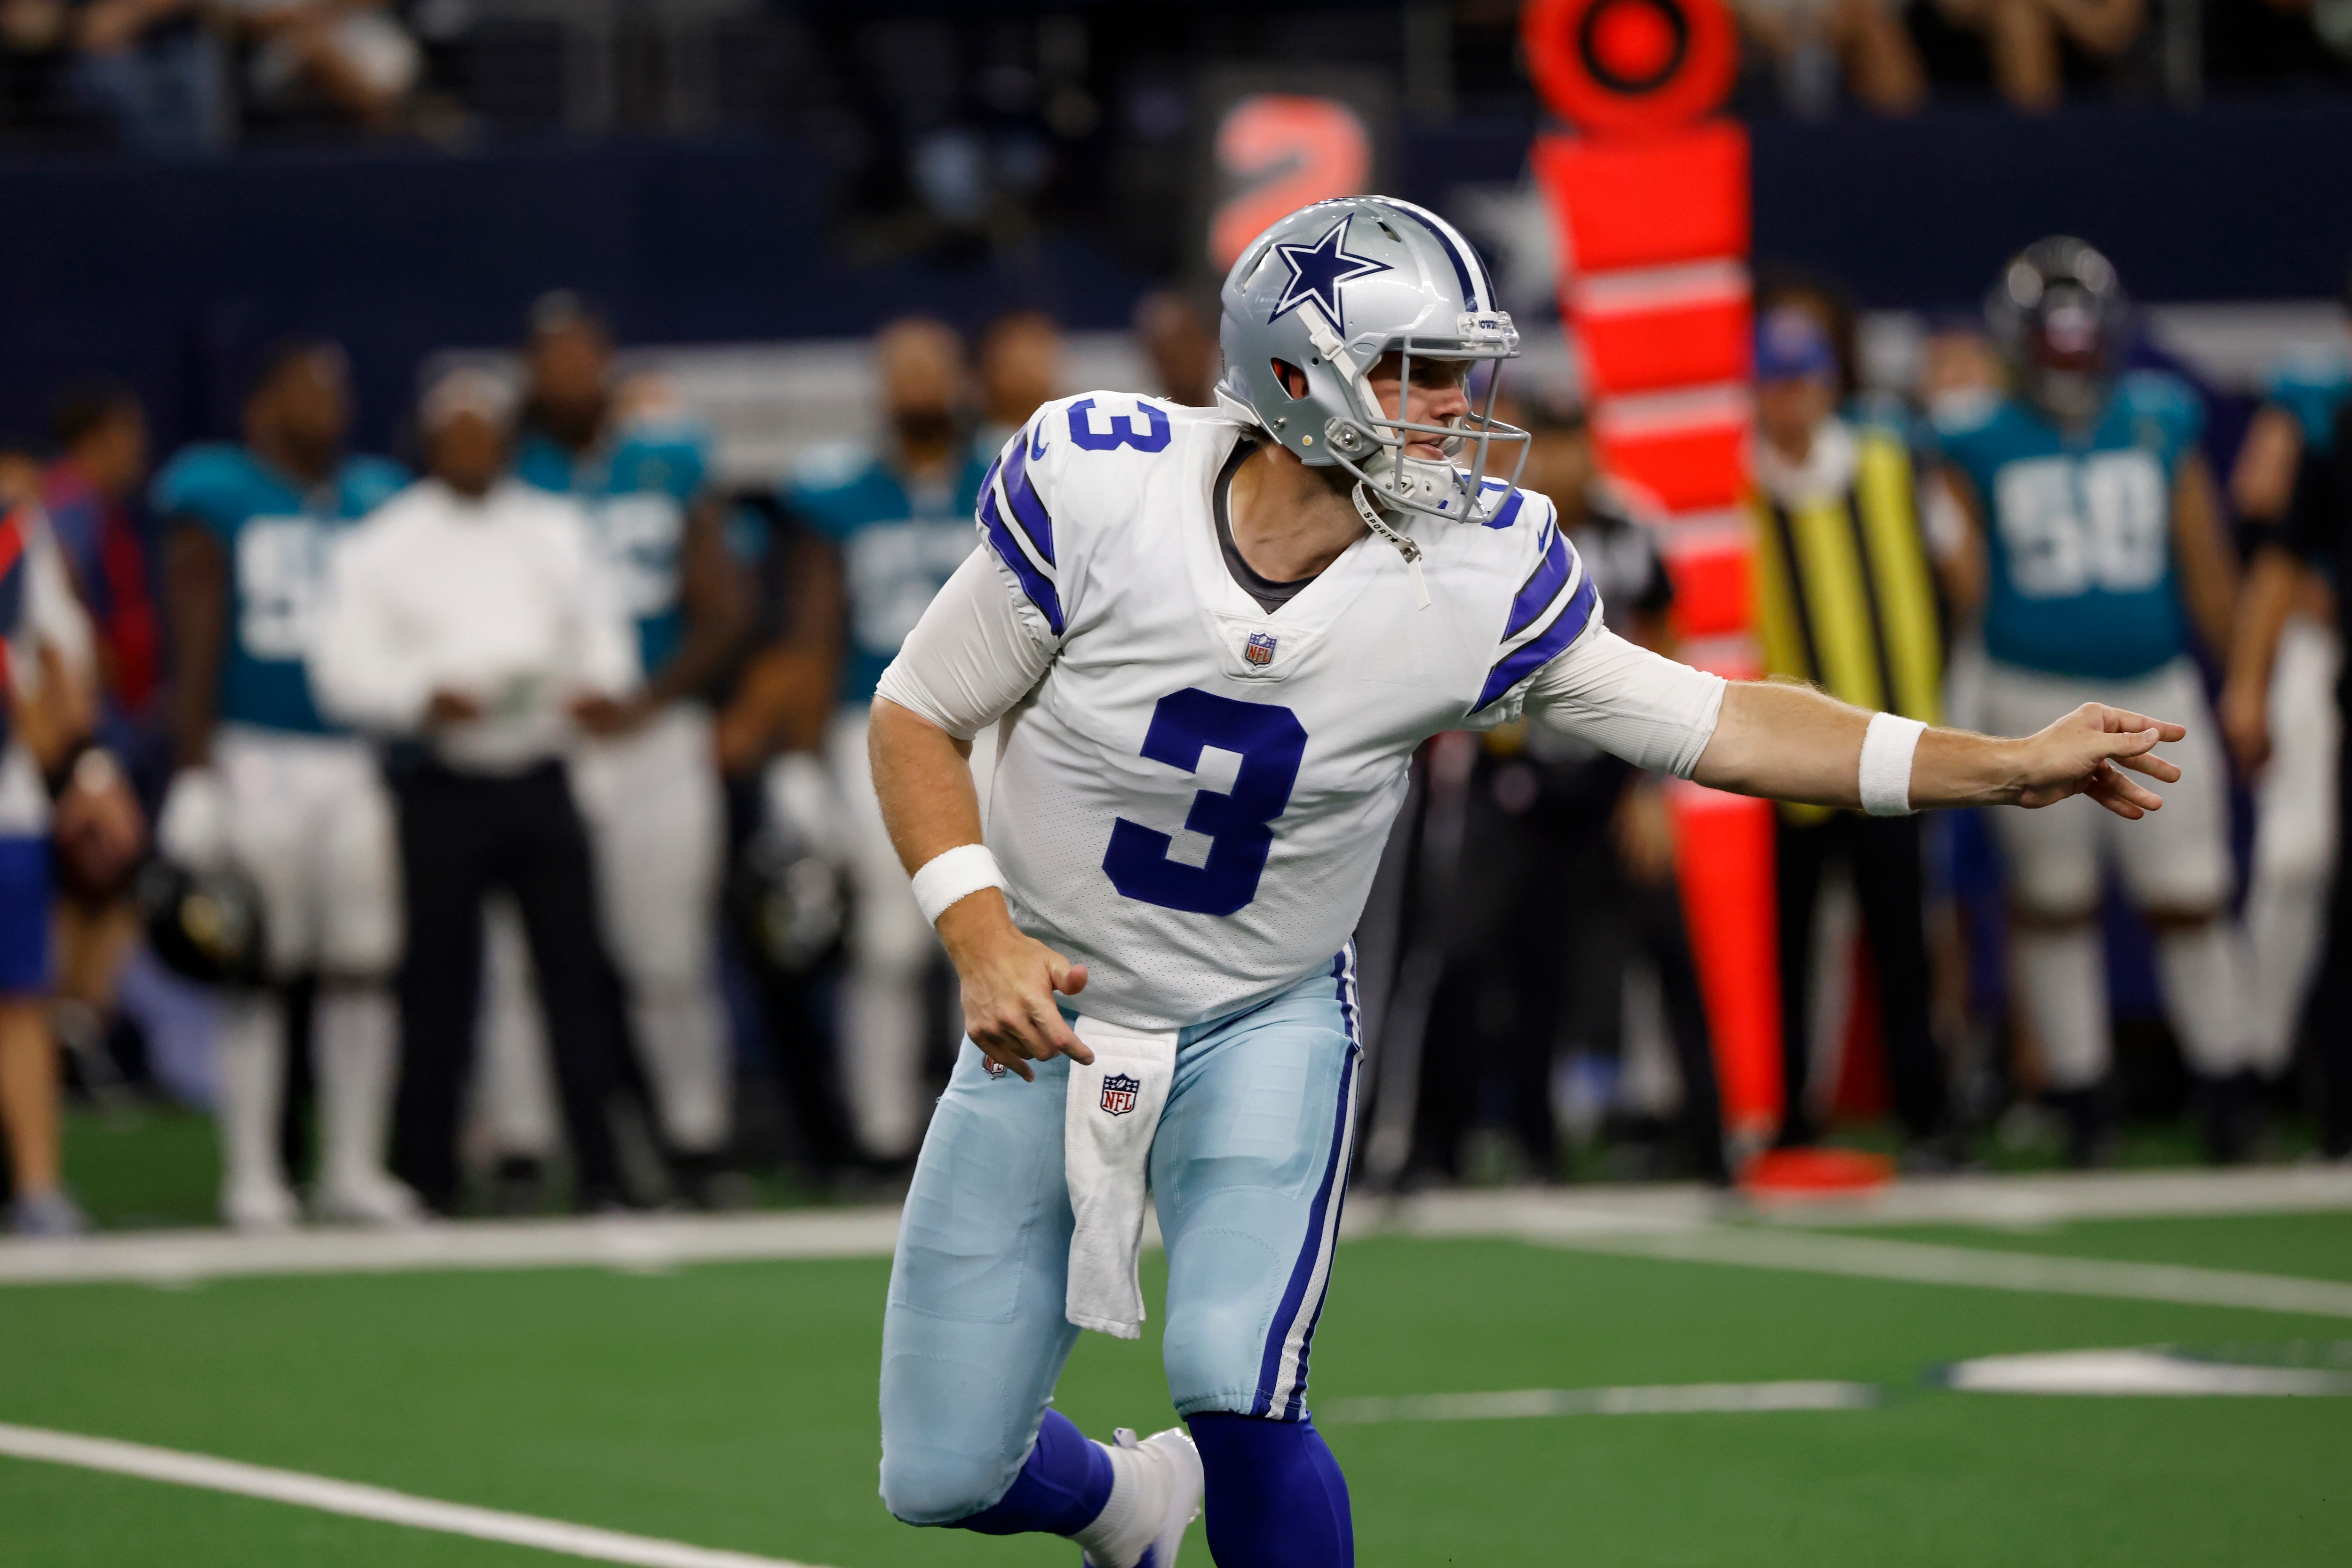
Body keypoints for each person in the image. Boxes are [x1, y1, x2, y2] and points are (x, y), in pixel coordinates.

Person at [865, 194, 2187, 1565]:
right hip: (1047, 998)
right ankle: (1127, 1505)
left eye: (1458, 370)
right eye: (1414, 370)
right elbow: (914, 710)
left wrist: (1994, 762)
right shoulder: (1098, 482)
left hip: (1258, 1012)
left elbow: (1715, 721)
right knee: (943, 1465)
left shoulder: (1478, 566)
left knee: (1234, 1374)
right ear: (1293, 368)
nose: (1452, 406)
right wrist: (978, 931)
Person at [1933, 237, 2248, 1164]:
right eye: (2053, 341)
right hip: (2029, 686)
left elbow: (2204, 562)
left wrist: (2240, 679)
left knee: (2188, 893)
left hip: (2153, 685)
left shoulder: (2159, 417)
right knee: (2052, 900)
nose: (2068, 359)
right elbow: (1961, 576)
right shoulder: (1971, 432)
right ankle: (2078, 1096)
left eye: (2080, 341)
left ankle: (2227, 1083)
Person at [309, 368, 641, 1215]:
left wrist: (595, 686)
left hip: (541, 772)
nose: (471, 450)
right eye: (454, 435)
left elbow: (607, 643)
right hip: (441, 782)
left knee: (576, 979)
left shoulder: (556, 531)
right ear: (427, 441)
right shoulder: (380, 544)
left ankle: (602, 1170)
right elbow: (344, 672)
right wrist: (422, 695)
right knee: (436, 985)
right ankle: (427, 1172)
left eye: (484, 434)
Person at [152, 338, 417, 1229]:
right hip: (255, 750)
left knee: (362, 965)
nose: (328, 408)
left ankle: (351, 1166)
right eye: (308, 391)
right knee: (257, 966)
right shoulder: (217, 490)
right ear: (262, 404)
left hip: (352, 755)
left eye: (337, 391)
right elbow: (192, 637)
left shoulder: (376, 498)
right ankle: (254, 1170)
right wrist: (192, 771)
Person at [493, 292, 749, 1203]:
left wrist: (647, 699)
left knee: (666, 955)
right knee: (520, 959)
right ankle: (522, 1144)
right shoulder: (505, 472)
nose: (568, 375)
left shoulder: (666, 460)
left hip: (654, 737)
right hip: (537, 737)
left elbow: (724, 608)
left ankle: (695, 1135)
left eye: (582, 356)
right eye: (551, 358)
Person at [1748, 305, 1960, 1156]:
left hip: (1889, 748)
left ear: (1829, 384)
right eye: (1776, 382)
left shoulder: (1889, 464)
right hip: (1777, 760)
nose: (1791, 401)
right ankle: (1789, 1117)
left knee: (1903, 941)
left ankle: (1929, 1117)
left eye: (1803, 380)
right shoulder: (1734, 483)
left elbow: (1959, 568)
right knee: (1787, 949)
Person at [782, 317, 991, 1164]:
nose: (917, 388)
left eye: (930, 370)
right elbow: (813, 630)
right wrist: (799, 760)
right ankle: (884, 1131)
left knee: (998, 926)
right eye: (902, 373)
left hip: (993, 724)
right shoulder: (838, 489)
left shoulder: (1012, 471)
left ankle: (983, 1126)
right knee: (890, 935)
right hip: (876, 723)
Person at [2225, 279, 2352, 1160]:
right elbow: (2271, 529)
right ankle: (2264, 1067)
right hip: (2334, 662)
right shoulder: (2326, 409)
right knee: (2301, 863)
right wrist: (2247, 681)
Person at [1, 496, 142, 1235]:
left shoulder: (14, 533)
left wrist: (86, 769)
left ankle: (37, 1185)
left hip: (7, 806)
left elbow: (62, 661)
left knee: (21, 1001)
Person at [974, 310, 1063, 457]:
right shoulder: (961, 453)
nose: (1027, 377)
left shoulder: (1074, 443)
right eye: (1015, 365)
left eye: (1036, 362)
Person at [1134, 291, 1220, 410]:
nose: (1185, 357)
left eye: (1189, 342)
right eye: (1164, 350)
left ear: (1209, 344)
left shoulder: (1240, 408)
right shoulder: (1138, 415)